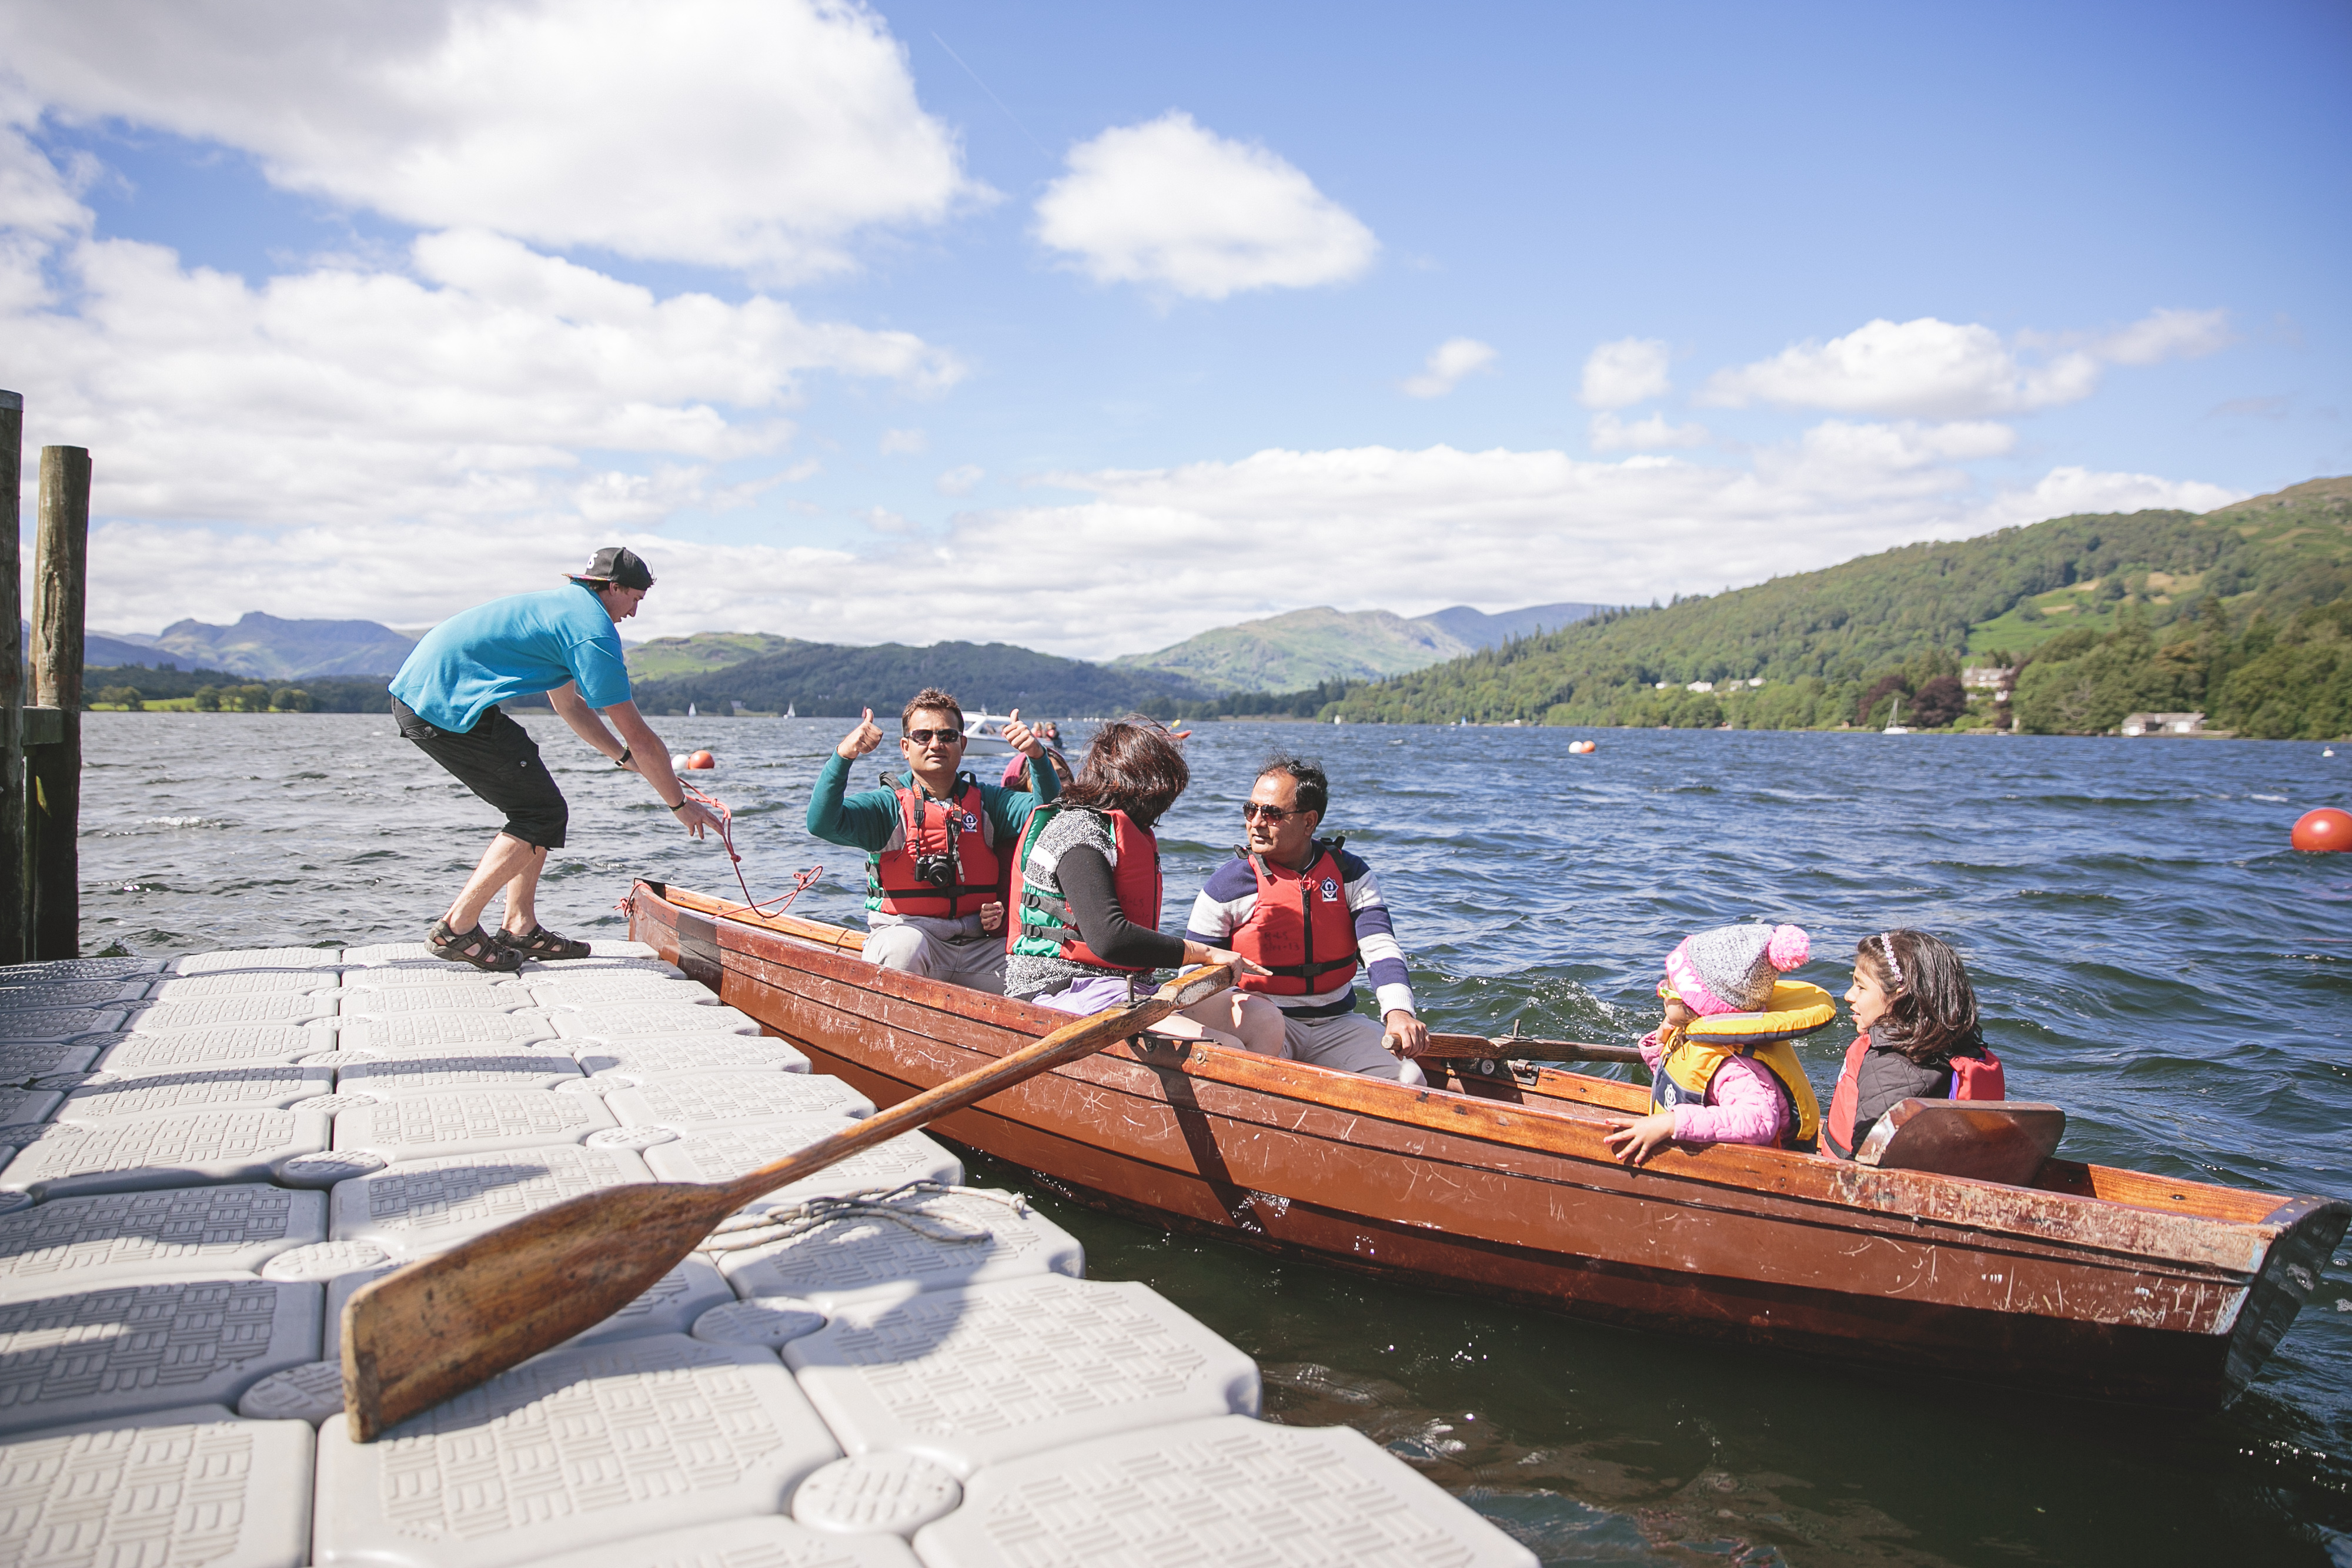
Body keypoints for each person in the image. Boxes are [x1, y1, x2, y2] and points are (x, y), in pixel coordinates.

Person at [388, 546, 720, 971]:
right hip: (438, 704)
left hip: (433, 695)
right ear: (614, 587)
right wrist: (679, 804)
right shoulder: (591, 631)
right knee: (540, 813)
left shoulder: (567, 609)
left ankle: (520, 926)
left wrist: (624, 758)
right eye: (635, 599)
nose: (635, 613)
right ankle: (457, 927)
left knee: (538, 806)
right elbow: (640, 735)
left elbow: (570, 706)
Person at [1006, 717, 1281, 1051]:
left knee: (1263, 1020)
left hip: (1132, 986)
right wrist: (1205, 953)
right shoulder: (1077, 831)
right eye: (1164, 792)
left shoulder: (1121, 828)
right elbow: (1109, 939)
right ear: (1139, 787)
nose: (1165, 804)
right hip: (1062, 987)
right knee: (1224, 1049)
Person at [1181, 757, 1428, 1085]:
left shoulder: (1351, 875)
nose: (1256, 823)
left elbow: (1380, 947)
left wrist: (1398, 1012)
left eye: (1272, 814)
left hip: (1335, 1024)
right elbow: (1191, 974)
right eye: (1250, 810)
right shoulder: (1228, 886)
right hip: (1259, 1022)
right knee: (1272, 1074)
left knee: (1410, 1080)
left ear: (1309, 822)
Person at [809, 688, 1055, 992]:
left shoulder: (988, 803)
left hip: (978, 946)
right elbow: (822, 823)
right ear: (905, 747)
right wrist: (844, 755)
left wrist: (1037, 756)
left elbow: (1048, 815)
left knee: (1042, 969)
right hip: (908, 936)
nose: (936, 744)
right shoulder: (887, 808)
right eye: (923, 736)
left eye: (948, 736)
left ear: (962, 744)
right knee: (905, 948)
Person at [1603, 923, 1825, 1164]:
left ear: (1697, 1006)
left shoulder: (1735, 1065)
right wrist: (1661, 1046)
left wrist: (1672, 1122)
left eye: (1669, 990)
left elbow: (1758, 1121)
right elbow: (1685, 1087)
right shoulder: (1700, 1036)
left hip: (1757, 1173)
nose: (1661, 993)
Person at [1820, 929, 2006, 1160]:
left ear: (1899, 997)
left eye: (1861, 986)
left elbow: (1868, 1164)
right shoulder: (1957, 1048)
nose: (1849, 995)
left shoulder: (1892, 1066)